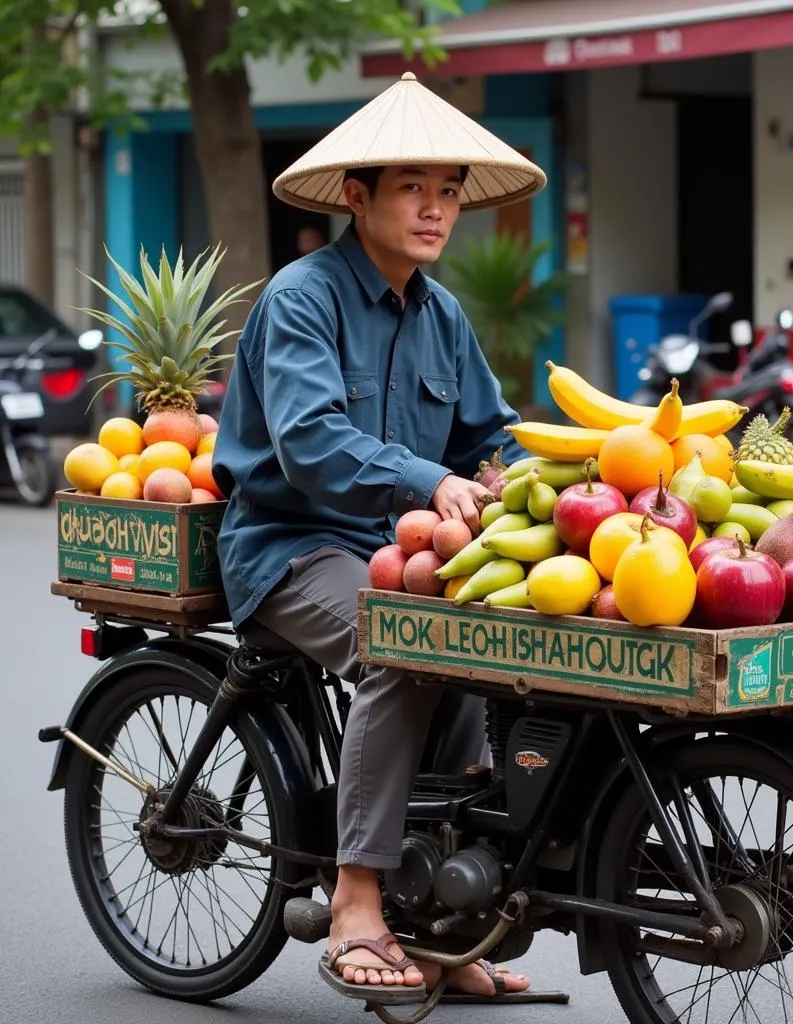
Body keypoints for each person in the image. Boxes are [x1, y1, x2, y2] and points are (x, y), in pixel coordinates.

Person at [211, 73, 548, 1006]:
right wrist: (428, 479)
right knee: (400, 638)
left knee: (475, 642)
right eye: (413, 188)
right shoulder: (302, 298)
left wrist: (569, 480)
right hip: (289, 545)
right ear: (356, 198)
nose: (435, 209)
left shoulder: (442, 315)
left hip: (393, 545)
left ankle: (441, 923)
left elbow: (494, 434)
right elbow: (312, 445)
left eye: (448, 191)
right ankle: (357, 896)